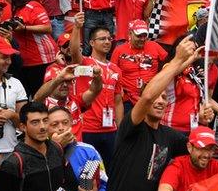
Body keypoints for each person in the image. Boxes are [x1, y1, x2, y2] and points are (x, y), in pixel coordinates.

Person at [105, 36, 199, 191]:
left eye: (164, 97)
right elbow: (148, 96)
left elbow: (196, 150)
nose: (160, 100)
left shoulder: (170, 136)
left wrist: (205, 122)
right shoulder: (131, 126)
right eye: (157, 96)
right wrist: (177, 60)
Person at [0, 102, 79, 191]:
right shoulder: (14, 163)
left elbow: (70, 185)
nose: (42, 126)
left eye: (45, 120)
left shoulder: (57, 149)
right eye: (35, 122)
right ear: (23, 127)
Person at [70, 12, 124, 172]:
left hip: (110, 130)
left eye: (109, 38)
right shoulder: (85, 64)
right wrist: (76, 27)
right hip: (88, 128)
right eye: (102, 39)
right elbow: (74, 52)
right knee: (89, 172)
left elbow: (118, 101)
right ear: (91, 42)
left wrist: (119, 129)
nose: (107, 42)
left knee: (110, 171)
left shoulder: (116, 69)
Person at [47, 106, 107, 191]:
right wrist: (55, 148)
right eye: (54, 125)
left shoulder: (88, 151)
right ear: (46, 128)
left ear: (71, 123)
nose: (61, 128)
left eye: (65, 123)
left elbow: (104, 184)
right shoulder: (40, 155)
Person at [157, 126, 218, 191]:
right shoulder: (178, 166)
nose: (207, 155)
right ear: (189, 147)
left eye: (211, 149)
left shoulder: (215, 166)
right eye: (202, 148)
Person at [34, 62, 103, 141]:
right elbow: (37, 98)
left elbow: (94, 91)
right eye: (60, 82)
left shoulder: (76, 100)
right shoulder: (43, 104)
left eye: (68, 81)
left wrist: (97, 77)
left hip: (76, 150)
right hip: (54, 151)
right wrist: (60, 78)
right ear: (50, 84)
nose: (65, 85)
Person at [111, 19, 168, 113]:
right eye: (139, 36)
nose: (142, 39)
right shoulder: (119, 50)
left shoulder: (154, 46)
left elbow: (168, 62)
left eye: (144, 35)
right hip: (128, 99)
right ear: (130, 34)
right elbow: (112, 72)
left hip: (151, 96)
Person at [9, 0, 57, 98]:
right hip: (22, 60)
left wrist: (25, 28)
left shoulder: (33, 6)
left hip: (40, 59)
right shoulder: (13, 8)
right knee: (24, 97)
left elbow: (47, 28)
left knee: (40, 97)